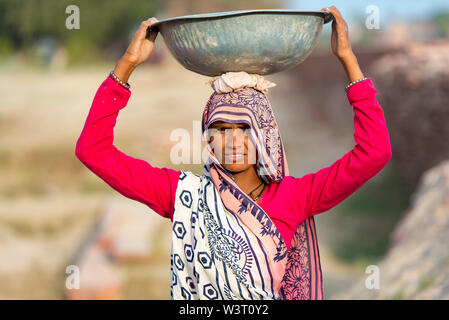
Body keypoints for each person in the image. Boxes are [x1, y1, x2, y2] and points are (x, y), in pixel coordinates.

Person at [75, 6, 392, 300]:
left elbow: (375, 152)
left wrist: (348, 60)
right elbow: (93, 151)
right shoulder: (184, 196)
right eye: (222, 130)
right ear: (208, 139)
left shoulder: (294, 196)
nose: (234, 141)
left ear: (265, 136)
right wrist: (126, 67)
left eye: (246, 128)